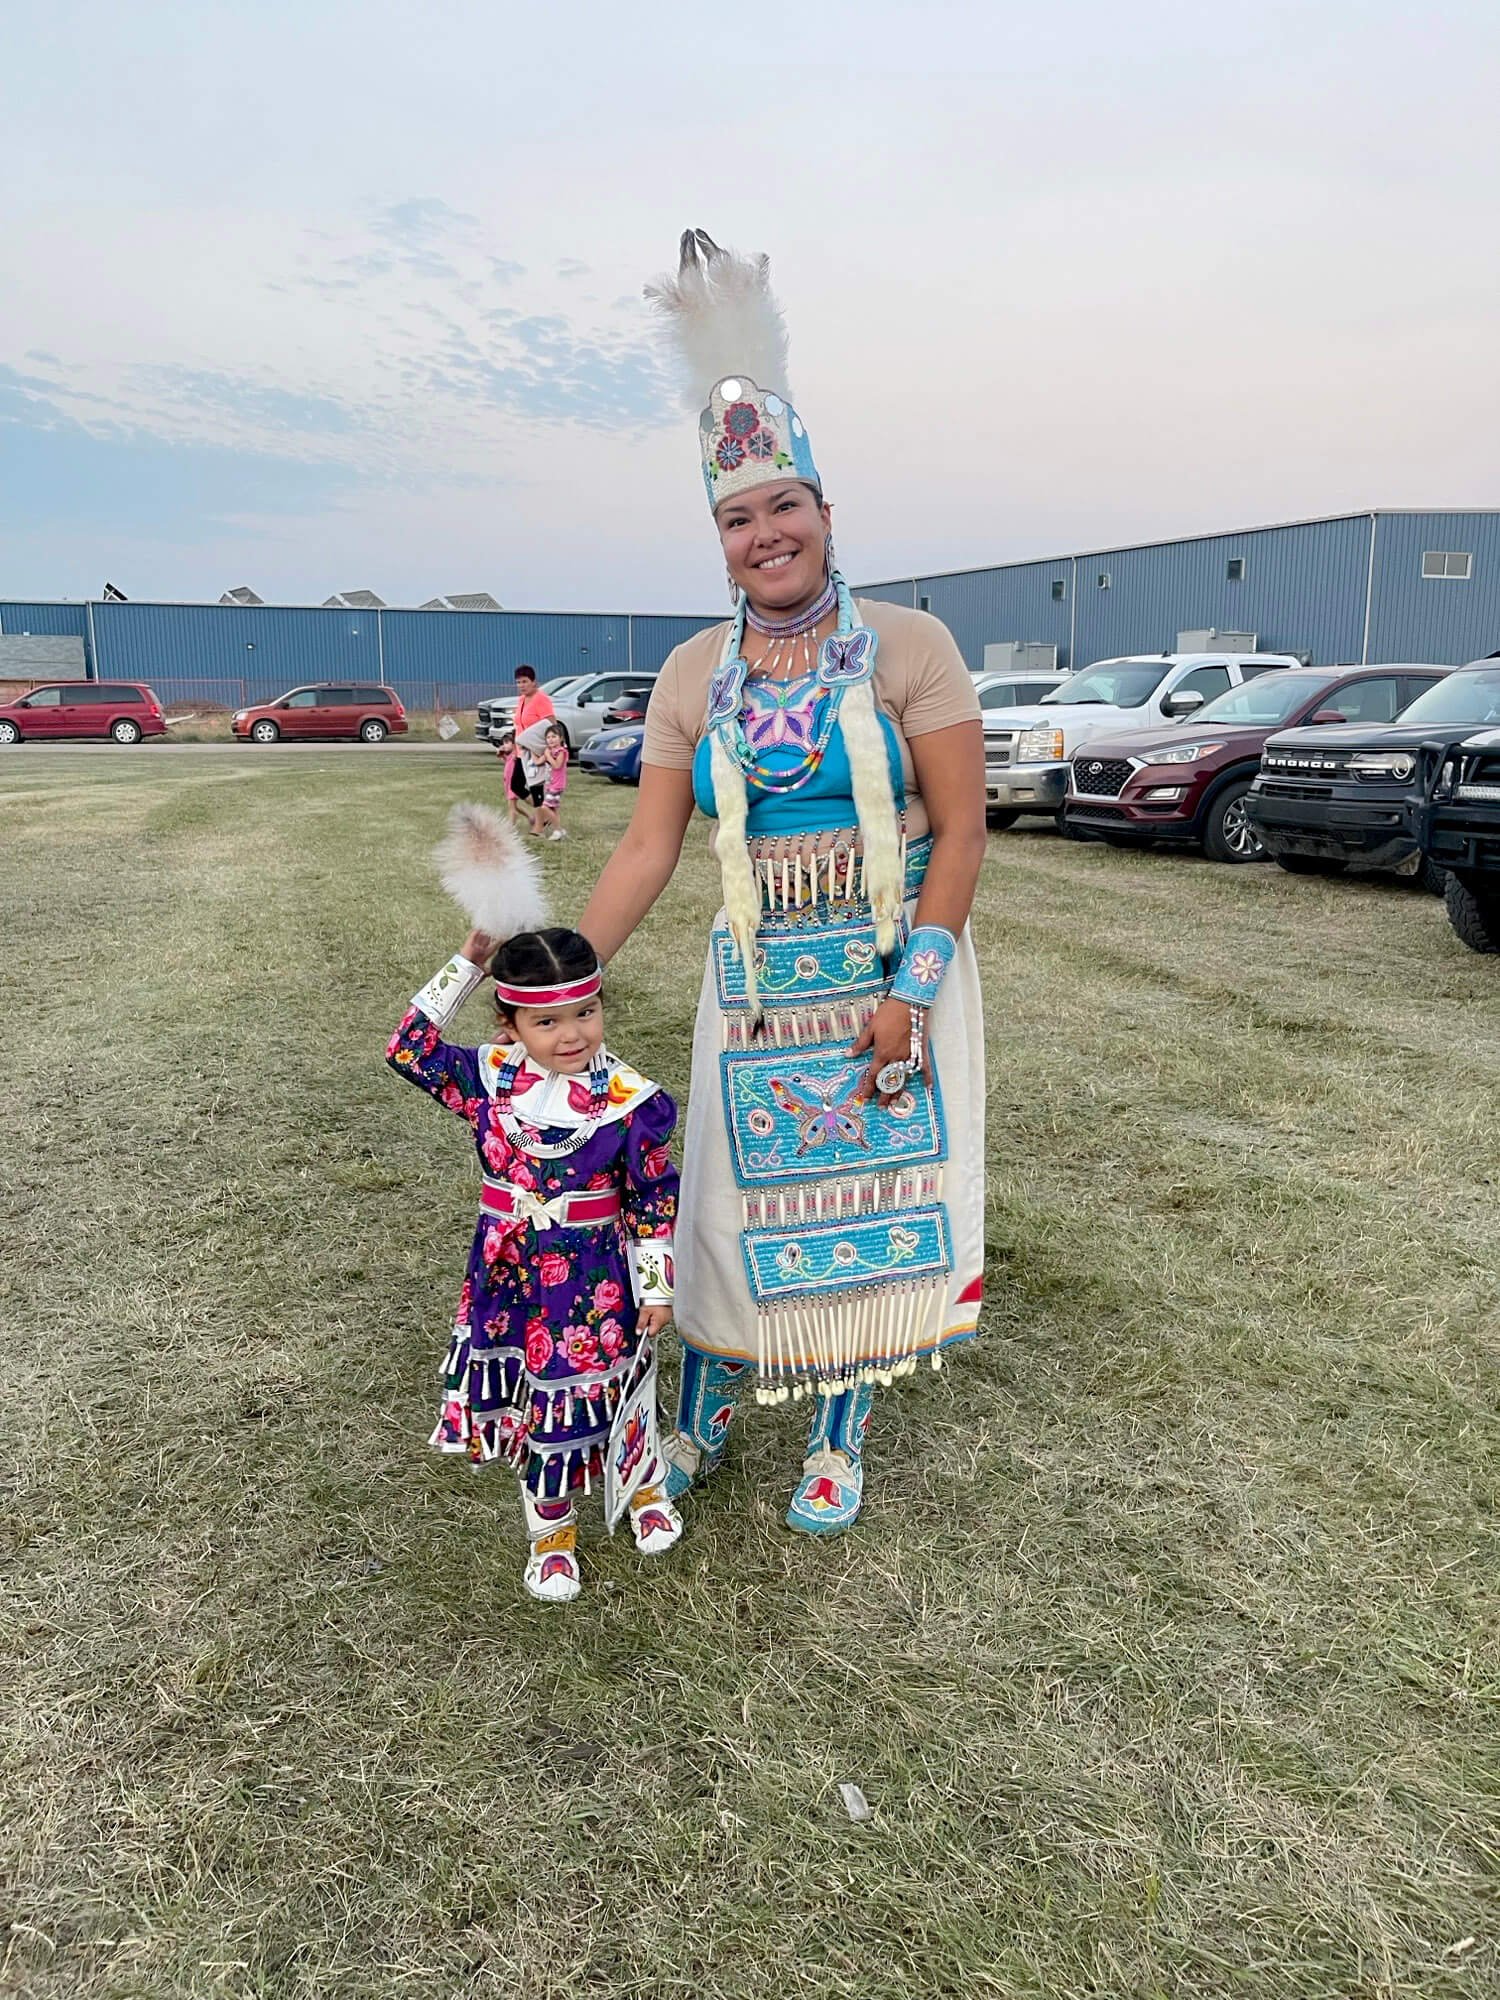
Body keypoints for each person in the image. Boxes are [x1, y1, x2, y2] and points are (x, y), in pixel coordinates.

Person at [577, 230, 987, 1535]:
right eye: (739, 517)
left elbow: (964, 835)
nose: (767, 534)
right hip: (753, 984)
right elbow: (647, 846)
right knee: (732, 1199)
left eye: (784, 507)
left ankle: (837, 1435)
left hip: (885, 976)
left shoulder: (912, 648)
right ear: (720, 535)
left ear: (822, 510)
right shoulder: (695, 673)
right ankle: (698, 1413)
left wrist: (911, 997)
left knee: (868, 1207)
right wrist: (553, 972)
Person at [386, 894, 684, 1605]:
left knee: (610, 1386)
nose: (571, 1034)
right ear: (510, 1022)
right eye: (546, 1022)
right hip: (510, 1276)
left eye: (585, 1012)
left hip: (595, 1277)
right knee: (535, 1406)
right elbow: (406, 1047)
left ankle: (642, 1488)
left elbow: (652, 1196)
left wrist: (658, 1283)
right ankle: (551, 1541)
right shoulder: (485, 1082)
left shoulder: (631, 1101)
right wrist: (470, 960)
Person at [506, 665, 554, 825]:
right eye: (518, 682)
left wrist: (548, 748)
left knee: (536, 786)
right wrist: (513, 746)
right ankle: (545, 812)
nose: (521, 685)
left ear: (534, 682)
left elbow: (550, 724)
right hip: (521, 751)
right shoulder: (521, 700)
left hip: (535, 751)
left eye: (525, 682)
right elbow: (518, 726)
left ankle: (543, 818)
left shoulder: (542, 700)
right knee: (516, 785)